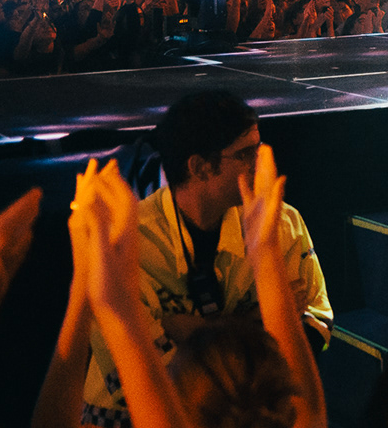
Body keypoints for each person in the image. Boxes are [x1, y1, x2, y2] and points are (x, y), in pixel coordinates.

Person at [79, 90, 332, 427]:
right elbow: (129, 372)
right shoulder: (132, 240)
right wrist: (252, 326)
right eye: (245, 154)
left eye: (259, 149)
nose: (261, 164)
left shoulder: (281, 221)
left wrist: (192, 331)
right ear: (199, 167)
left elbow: (316, 322)